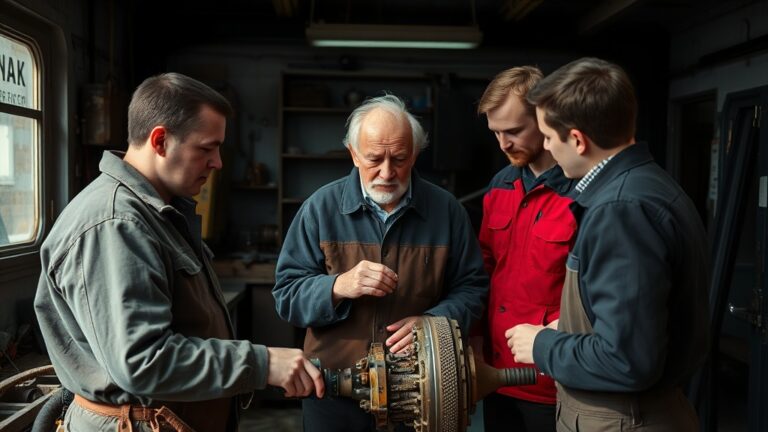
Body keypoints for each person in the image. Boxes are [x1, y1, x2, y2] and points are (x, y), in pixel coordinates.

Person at [34, 72, 324, 432]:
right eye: (206, 148)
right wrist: (263, 364)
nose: (218, 162)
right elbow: (142, 361)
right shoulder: (116, 224)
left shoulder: (160, 213)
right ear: (160, 140)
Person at [506, 57, 709, 431]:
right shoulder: (649, 184)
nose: (547, 147)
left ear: (578, 140)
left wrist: (542, 346)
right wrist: (568, 326)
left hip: (624, 419)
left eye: (549, 136)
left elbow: (628, 360)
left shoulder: (620, 211)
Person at [273, 94, 489, 432]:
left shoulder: (447, 212)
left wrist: (433, 324)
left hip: (422, 395)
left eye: (399, 158)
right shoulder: (320, 209)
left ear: (415, 154)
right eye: (374, 158)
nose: (387, 172)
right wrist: (337, 287)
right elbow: (286, 296)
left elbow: (473, 288)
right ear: (353, 154)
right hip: (332, 392)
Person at [476, 66, 576, 432]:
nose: (503, 143)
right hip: (496, 374)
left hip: (555, 381)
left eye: (514, 131)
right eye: (496, 132)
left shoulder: (580, 192)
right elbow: (482, 273)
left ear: (544, 117)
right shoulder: (499, 185)